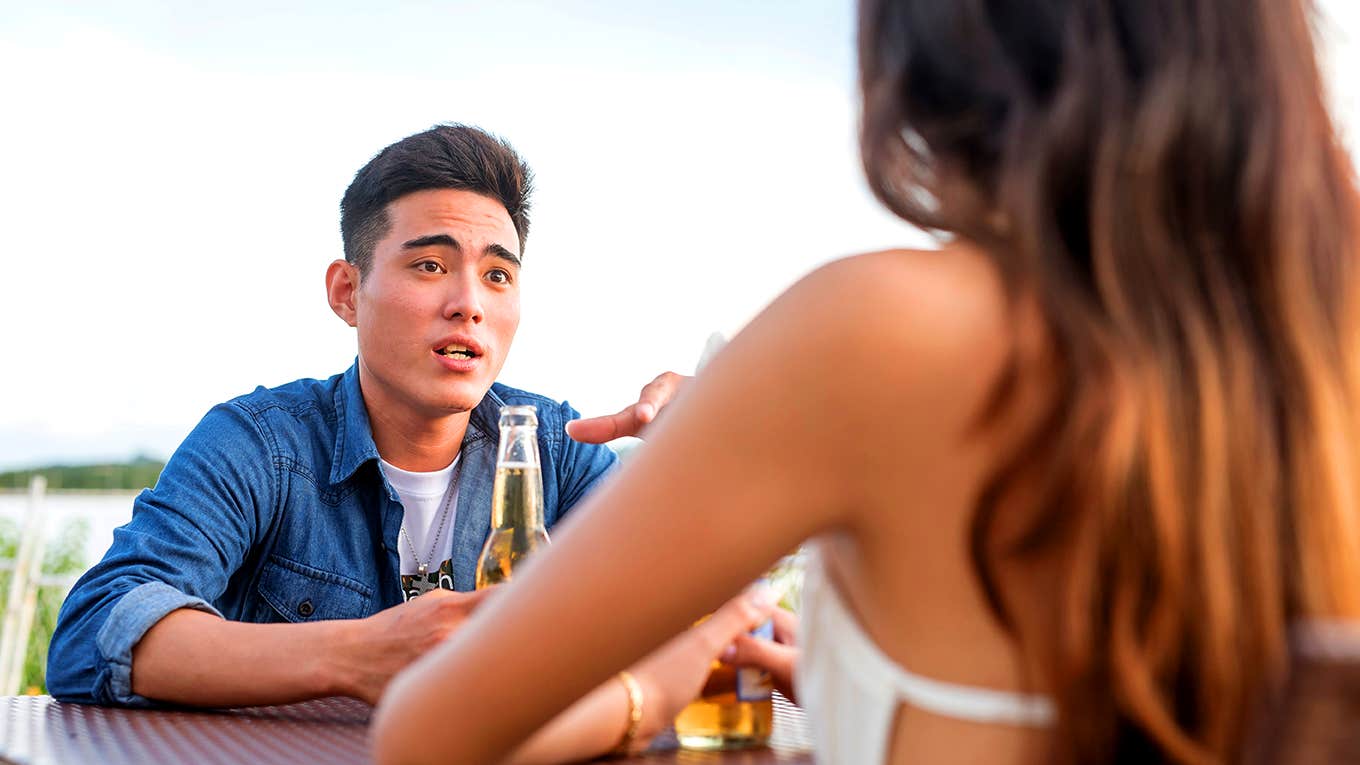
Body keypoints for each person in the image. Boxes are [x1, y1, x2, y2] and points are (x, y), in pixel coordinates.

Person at [372, 0, 1360, 763]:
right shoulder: (1315, 345)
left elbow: (430, 731)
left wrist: (714, 576)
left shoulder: (878, 328)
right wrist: (855, 675)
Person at [45, 124, 687, 708]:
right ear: (347, 293)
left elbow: (690, 611)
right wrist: (354, 654)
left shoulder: (554, 450)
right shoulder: (262, 445)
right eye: (430, 265)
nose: (469, 303)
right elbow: (91, 633)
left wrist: (719, 451)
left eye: (497, 275)